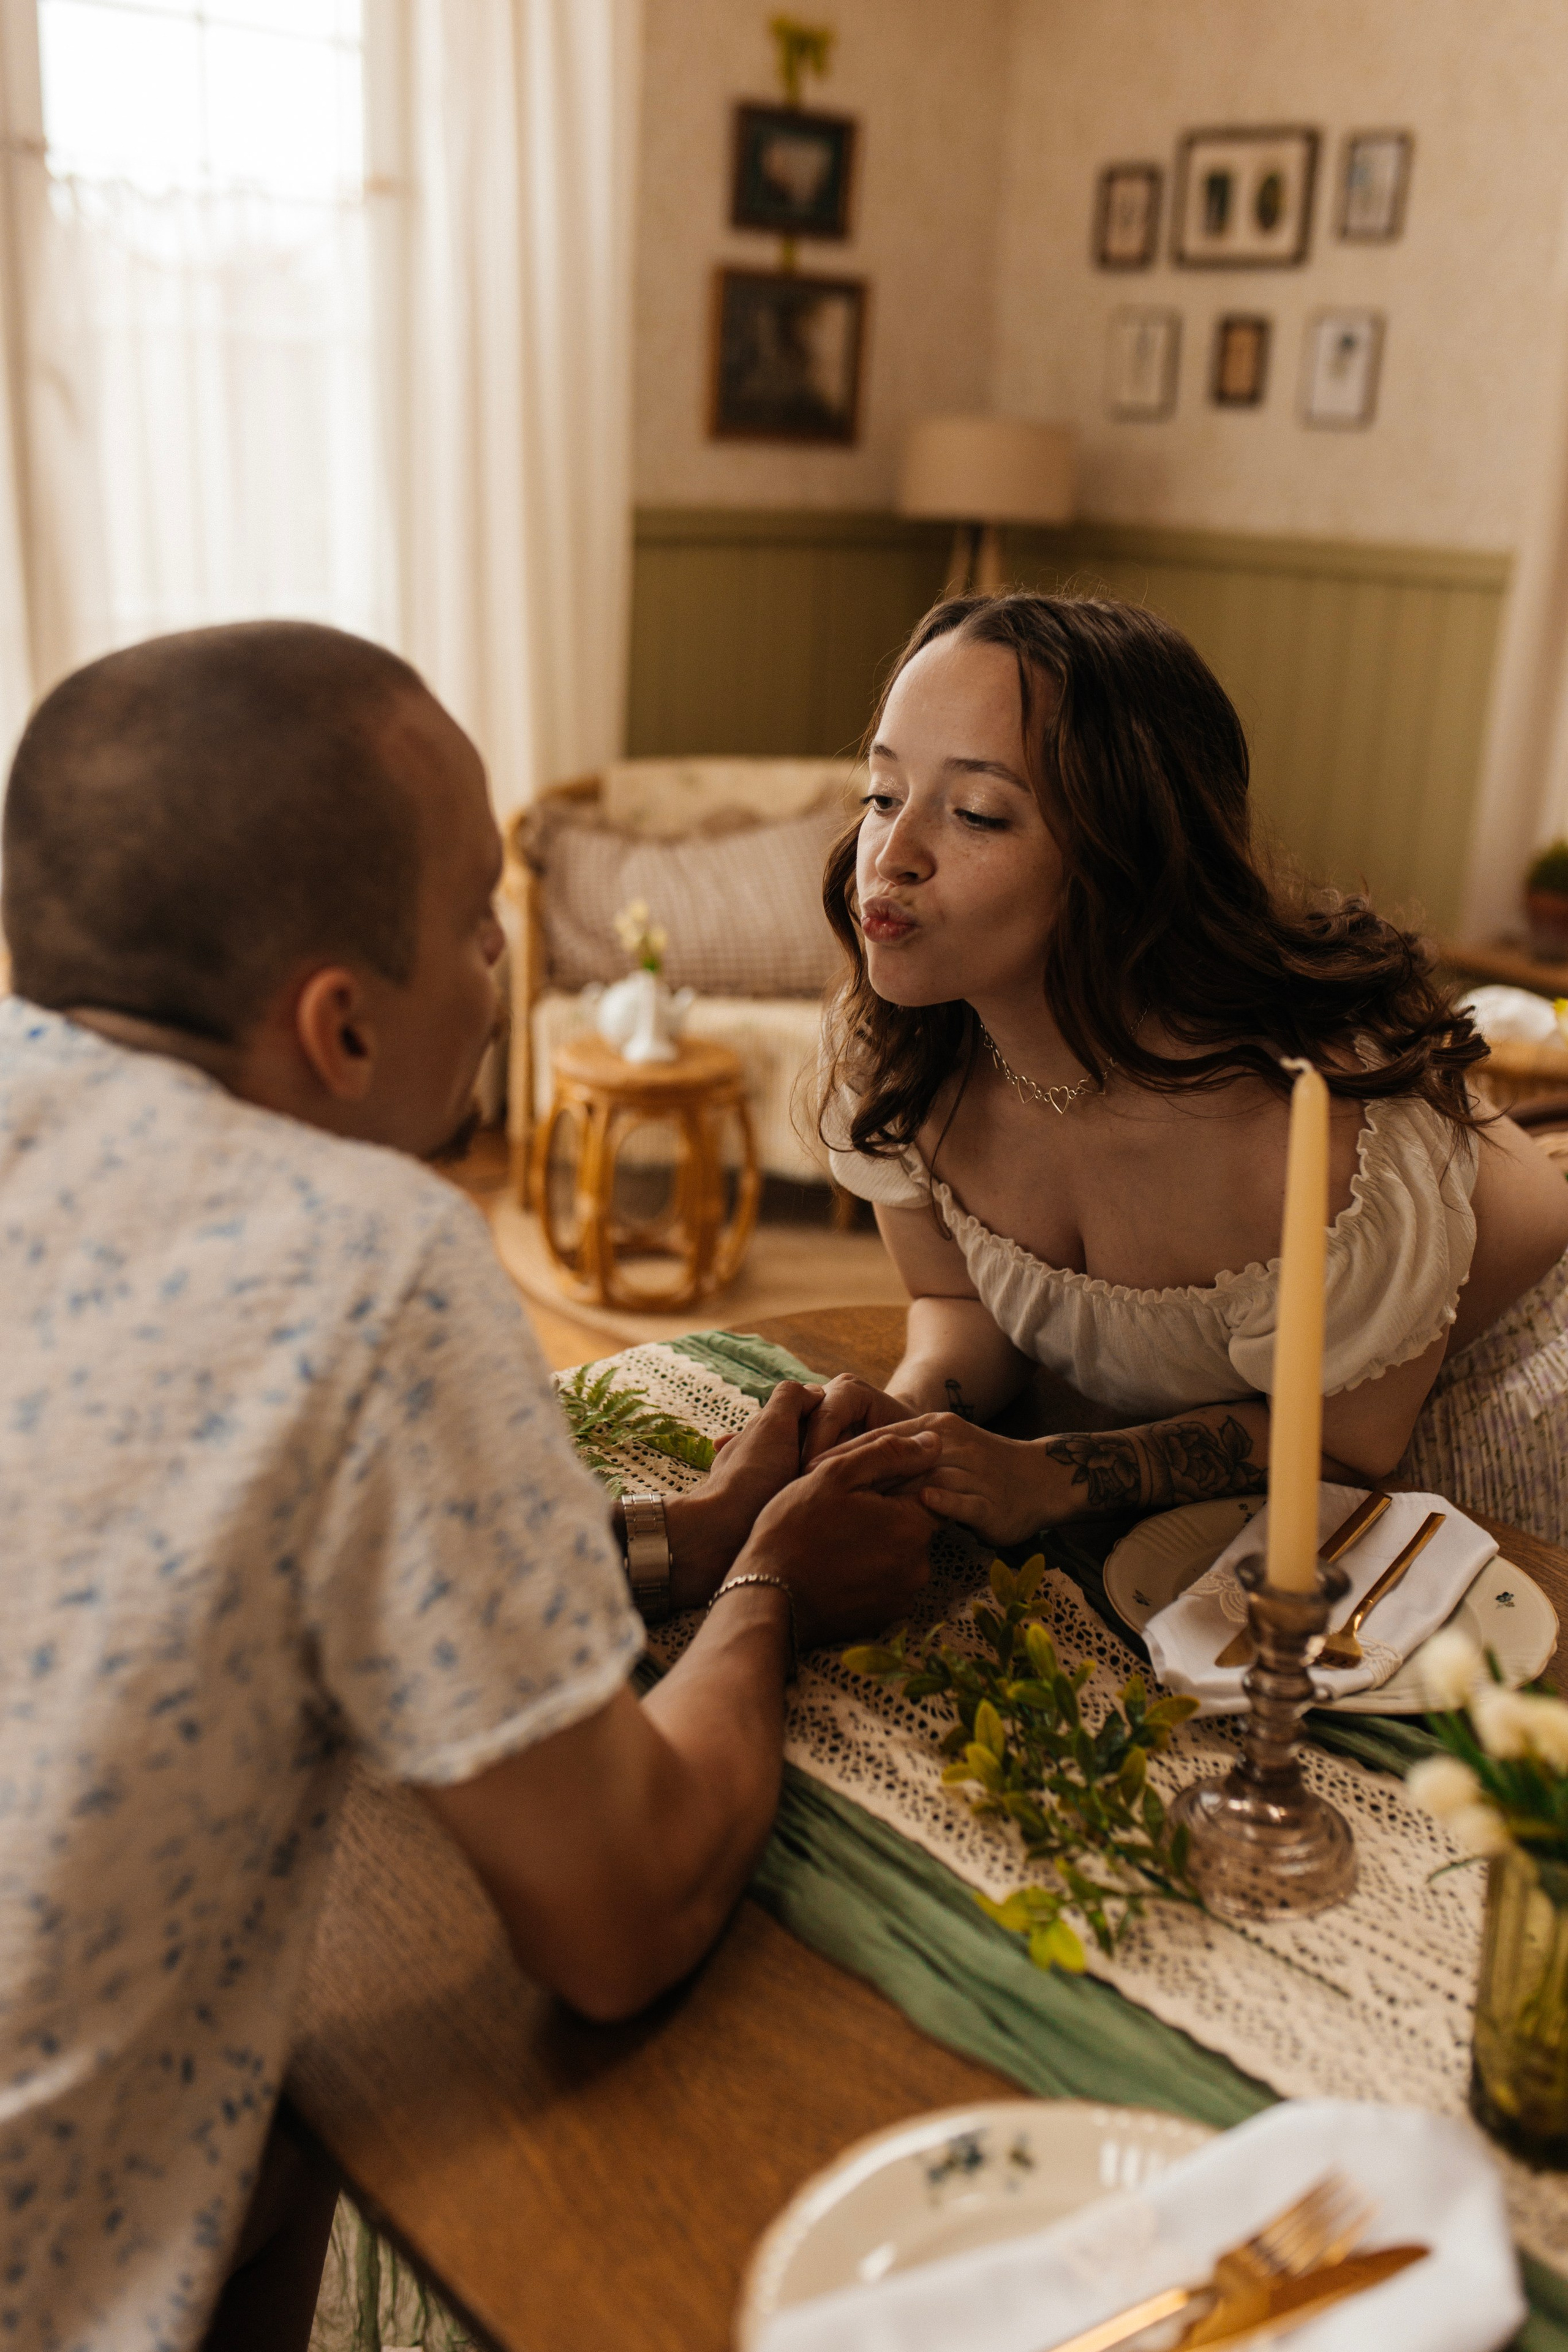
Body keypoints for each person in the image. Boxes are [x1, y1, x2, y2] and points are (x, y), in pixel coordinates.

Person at [0, 622, 938, 2352]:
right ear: (340, 1029)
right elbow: (619, 1913)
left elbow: (230, 1544)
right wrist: (774, 1586)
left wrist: (683, 1533)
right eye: (475, 923)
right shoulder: (367, 1264)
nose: (507, 957)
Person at [803, 590, 1568, 1548]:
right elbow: (961, 1305)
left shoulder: (1313, 1130)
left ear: (1129, 856)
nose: (893, 854)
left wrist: (1054, 1473)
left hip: (1474, 1403)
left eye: (977, 813)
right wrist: (911, 1414)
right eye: (882, 794)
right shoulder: (900, 1051)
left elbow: (1339, 1444)